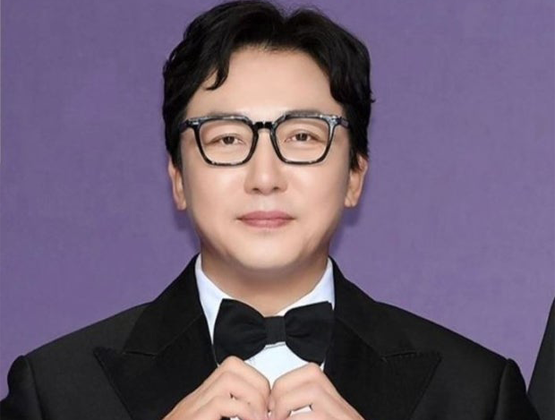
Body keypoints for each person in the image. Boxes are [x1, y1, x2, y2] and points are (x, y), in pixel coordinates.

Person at [0, 1, 539, 419]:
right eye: (227, 139)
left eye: (303, 136)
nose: (264, 177)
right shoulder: (54, 392)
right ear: (178, 179)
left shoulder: (475, 393)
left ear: (355, 175)